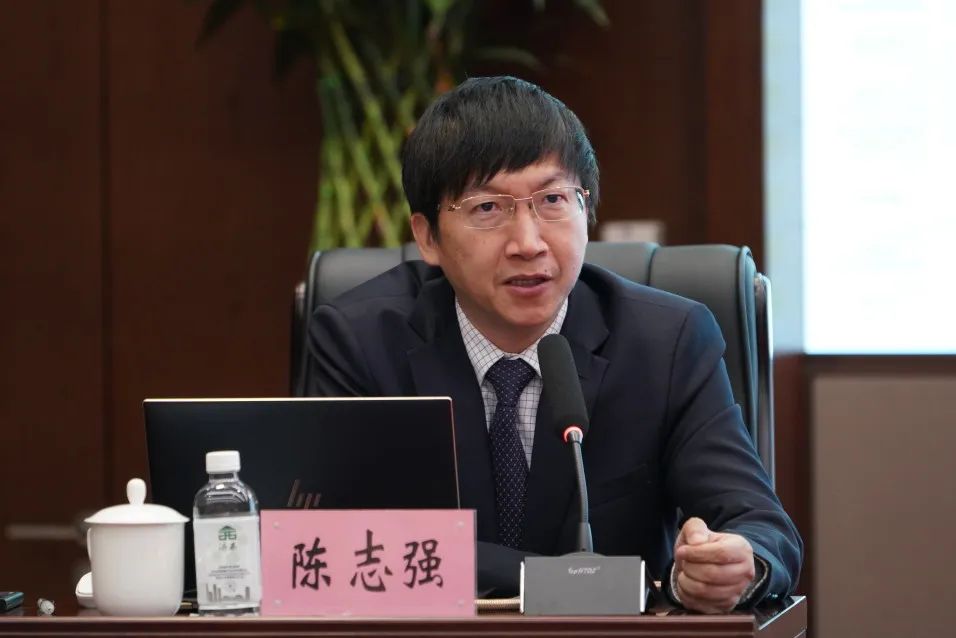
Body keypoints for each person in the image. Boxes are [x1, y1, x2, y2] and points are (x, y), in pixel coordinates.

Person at [308, 76, 802, 611]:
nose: (528, 243)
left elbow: (761, 526)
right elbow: (330, 541)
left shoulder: (667, 342)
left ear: (587, 211)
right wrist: (582, 581)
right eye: (487, 208)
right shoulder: (361, 342)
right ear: (427, 237)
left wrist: (735, 563)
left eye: (552, 200)